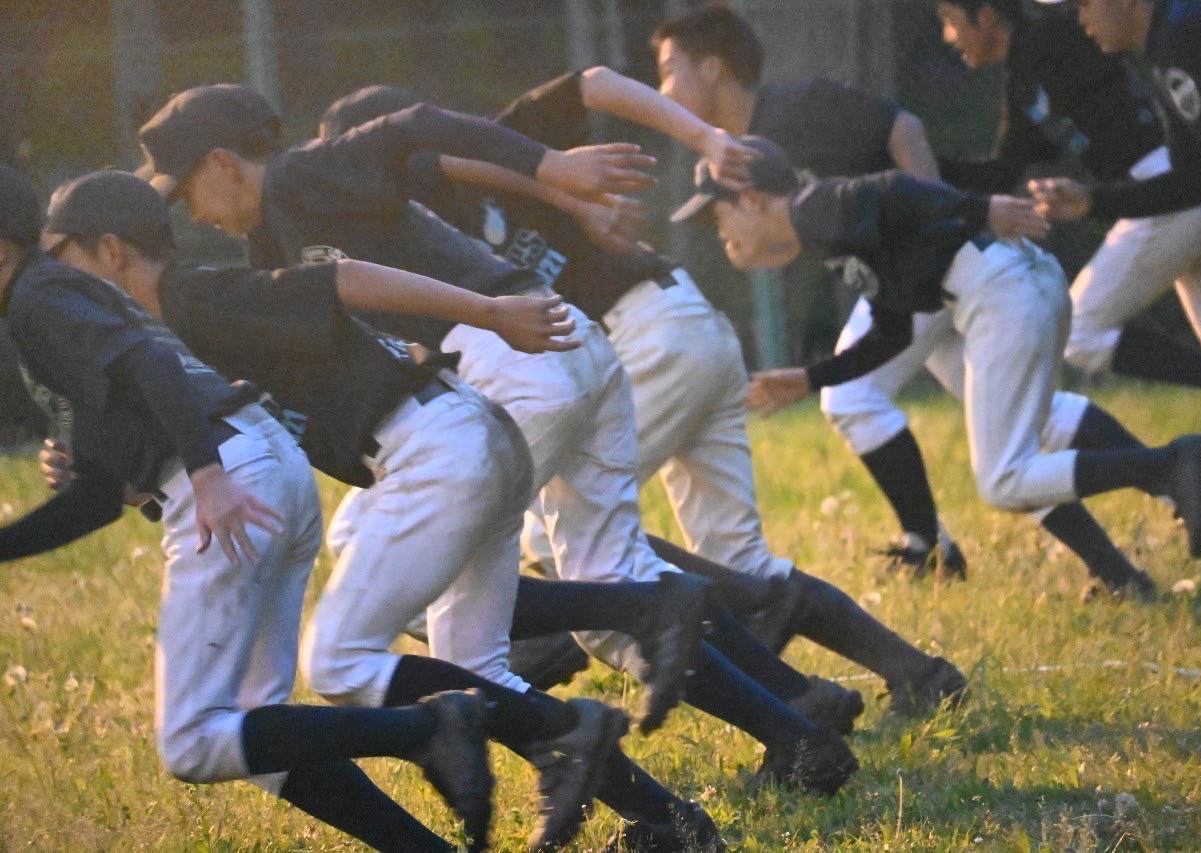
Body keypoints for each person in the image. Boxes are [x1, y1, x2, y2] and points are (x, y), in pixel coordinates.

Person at [319, 78, 967, 715]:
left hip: (643, 337)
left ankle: (573, 652)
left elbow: (583, 90)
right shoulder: (428, 211)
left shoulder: (465, 161)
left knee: (569, 548)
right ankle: (915, 671)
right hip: (682, 323)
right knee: (725, 554)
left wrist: (693, 142)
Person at [0, 161, 494, 853]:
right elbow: (98, 497)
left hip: (228, 481)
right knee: (255, 730)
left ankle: (429, 727)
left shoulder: (36, 297)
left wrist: (204, 473)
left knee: (194, 741)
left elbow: (154, 365)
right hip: (262, 462)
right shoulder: (55, 291)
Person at [677, 136, 1201, 597]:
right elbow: (894, 330)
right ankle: (1122, 577)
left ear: (752, 200)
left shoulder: (811, 210)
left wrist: (979, 207)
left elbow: (892, 186)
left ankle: (1168, 465)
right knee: (1016, 459)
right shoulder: (825, 230)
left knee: (1003, 478)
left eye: (718, 215)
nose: (720, 233)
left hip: (1005, 295)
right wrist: (810, 379)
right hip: (1021, 283)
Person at [651, 3, 966, 577]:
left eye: (672, 70)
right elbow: (794, 236)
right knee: (1017, 430)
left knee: (855, 398)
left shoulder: (798, 110)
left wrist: (935, 232)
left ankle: (930, 547)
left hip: (939, 271)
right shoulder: (740, 153)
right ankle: (938, 548)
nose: (663, 90)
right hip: (904, 289)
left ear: (714, 68)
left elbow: (905, 128)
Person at [935, 0, 1201, 477]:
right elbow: (1001, 171)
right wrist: (913, 163)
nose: (950, 37)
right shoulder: (1026, 81)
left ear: (987, 15)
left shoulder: (1058, 32)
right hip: (1197, 184)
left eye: (950, 20)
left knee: (1081, 330)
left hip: (1171, 186)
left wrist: (1095, 199)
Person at [1028, 0, 1201, 414]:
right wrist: (1093, 200)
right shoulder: (1166, 56)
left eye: (1083, 3)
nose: (1079, 18)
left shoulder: (1194, 28)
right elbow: (1191, 184)